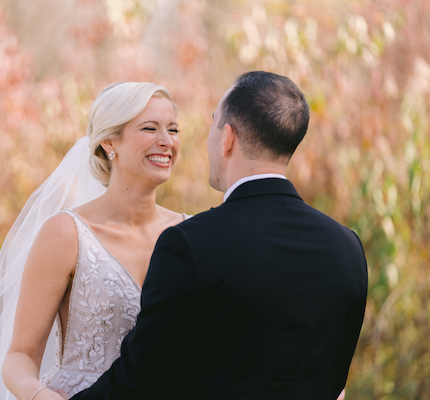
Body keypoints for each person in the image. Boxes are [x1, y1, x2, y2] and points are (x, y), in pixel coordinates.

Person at [66, 71, 368, 400]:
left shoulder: (190, 244)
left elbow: (141, 379)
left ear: (227, 138)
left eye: (212, 125)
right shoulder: (348, 247)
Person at [0, 82, 187, 400]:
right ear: (109, 142)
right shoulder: (66, 234)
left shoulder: (190, 233)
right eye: (150, 128)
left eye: (173, 130)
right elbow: (18, 356)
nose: (166, 142)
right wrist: (38, 394)